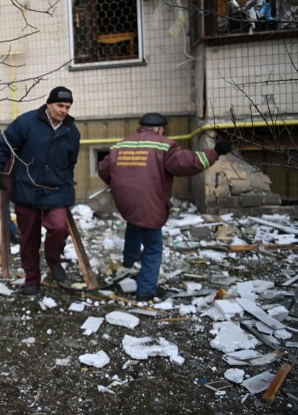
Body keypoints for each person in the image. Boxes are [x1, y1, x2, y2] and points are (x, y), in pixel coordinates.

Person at [97, 112, 232, 301]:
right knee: (153, 247)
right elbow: (189, 163)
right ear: (160, 129)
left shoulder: (121, 145)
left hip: (126, 202)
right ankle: (145, 292)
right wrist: (215, 152)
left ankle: (128, 262)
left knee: (134, 224)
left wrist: (119, 183)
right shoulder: (163, 145)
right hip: (150, 204)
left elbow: (103, 169)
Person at [0, 86, 80, 295]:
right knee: (29, 237)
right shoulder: (27, 123)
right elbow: (3, 146)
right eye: (60, 105)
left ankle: (53, 261)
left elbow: (71, 163)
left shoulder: (71, 131)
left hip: (55, 190)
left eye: (67, 107)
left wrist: (65, 186)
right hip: (27, 189)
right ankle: (32, 279)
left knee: (59, 228)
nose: (64, 110)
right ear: (49, 104)